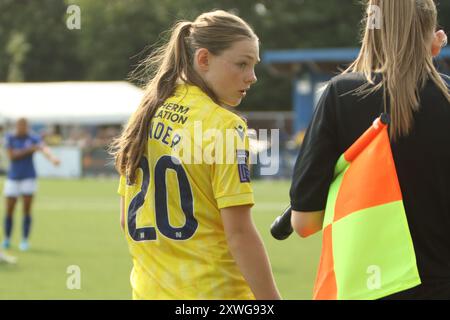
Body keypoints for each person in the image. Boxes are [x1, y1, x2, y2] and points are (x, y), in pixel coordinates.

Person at [111, 10, 280, 300]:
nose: (251, 77)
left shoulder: (146, 113)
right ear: (203, 59)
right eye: (242, 64)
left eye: (253, 66)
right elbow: (239, 235)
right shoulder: (225, 126)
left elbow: (126, 220)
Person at [289, 0, 450, 299]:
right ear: (434, 36)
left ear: (370, 32)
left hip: (369, 288)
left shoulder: (341, 94)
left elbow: (304, 222)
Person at [2, 118, 60, 251]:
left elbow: (43, 148)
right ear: (16, 126)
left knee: (26, 209)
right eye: (20, 125)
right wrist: (30, 150)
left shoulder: (32, 137)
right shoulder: (10, 137)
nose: (22, 127)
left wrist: (52, 158)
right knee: (9, 210)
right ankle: (7, 239)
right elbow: (12, 156)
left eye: (24, 125)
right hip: (13, 177)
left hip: (29, 177)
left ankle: (24, 240)